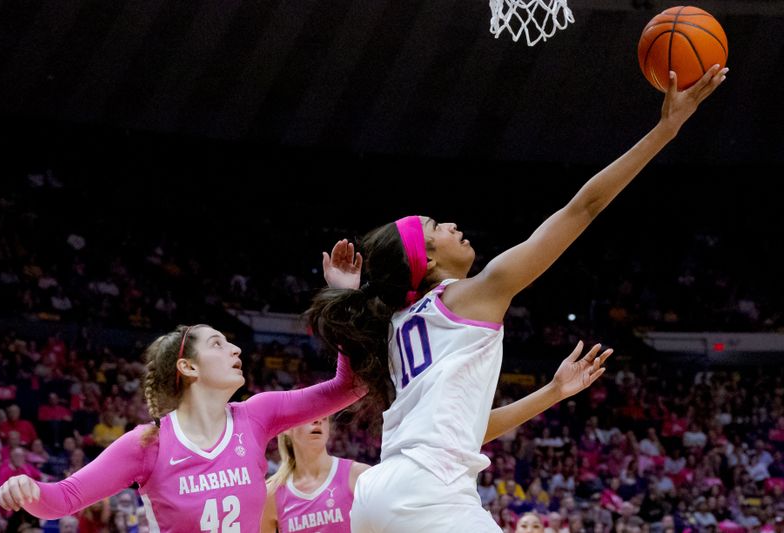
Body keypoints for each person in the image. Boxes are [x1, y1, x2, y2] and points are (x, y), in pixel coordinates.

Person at [307, 65, 729, 532]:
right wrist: (665, 130)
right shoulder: (476, 293)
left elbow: (470, 431)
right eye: (435, 227)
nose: (450, 225)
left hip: (381, 496)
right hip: (430, 491)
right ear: (423, 261)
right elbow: (583, 208)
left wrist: (552, 392)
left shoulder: (398, 324)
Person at [0, 244, 367, 532]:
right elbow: (64, 498)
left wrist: (344, 300)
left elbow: (350, 386)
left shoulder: (258, 414)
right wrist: (27, 491)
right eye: (218, 344)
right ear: (188, 366)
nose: (236, 349)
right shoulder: (149, 445)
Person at [259, 417, 370, 533]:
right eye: (309, 415)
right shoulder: (271, 494)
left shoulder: (360, 476)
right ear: (287, 428)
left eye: (324, 417)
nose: (318, 421)